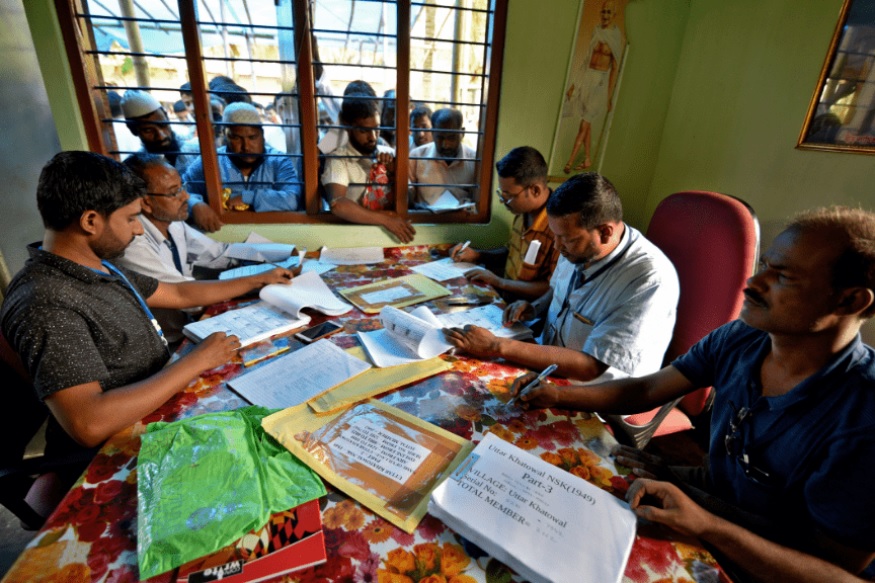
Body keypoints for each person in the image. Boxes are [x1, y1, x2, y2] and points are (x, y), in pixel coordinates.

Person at [518, 206, 875, 581]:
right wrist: (556, 397)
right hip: (714, 509)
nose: (753, 283)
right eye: (766, 265)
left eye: (783, 276)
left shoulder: (862, 416)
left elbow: (835, 570)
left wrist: (706, 523)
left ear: (850, 302)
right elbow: (649, 387)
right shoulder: (742, 339)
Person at [0, 151, 294, 485]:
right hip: (113, 452)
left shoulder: (98, 266)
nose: (140, 231)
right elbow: (89, 424)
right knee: (268, 462)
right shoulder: (47, 302)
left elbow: (179, 294)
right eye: (130, 219)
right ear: (91, 221)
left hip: (158, 403)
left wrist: (260, 279)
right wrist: (194, 362)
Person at [444, 172, 678, 384]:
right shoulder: (578, 247)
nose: (557, 246)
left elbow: (592, 367)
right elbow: (557, 291)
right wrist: (534, 308)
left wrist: (497, 345)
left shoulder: (648, 280)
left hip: (595, 392)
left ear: (605, 232)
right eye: (555, 236)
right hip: (547, 360)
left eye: (567, 239)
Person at [118, 154, 296, 343]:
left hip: (192, 325)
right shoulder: (131, 242)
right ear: (145, 202)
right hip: (166, 344)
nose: (186, 197)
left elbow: (221, 252)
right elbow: (181, 293)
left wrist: (284, 252)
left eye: (182, 187)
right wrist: (258, 280)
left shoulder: (173, 224)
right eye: (174, 192)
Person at [448, 146, 560, 301]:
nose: (503, 201)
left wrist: (499, 282)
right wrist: (478, 255)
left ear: (535, 190)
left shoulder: (559, 228)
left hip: (528, 312)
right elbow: (512, 253)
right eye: (502, 193)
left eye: (508, 196)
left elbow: (553, 289)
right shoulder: (522, 214)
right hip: (506, 299)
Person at [121, 89, 223, 232]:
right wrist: (193, 204)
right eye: (149, 130)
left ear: (167, 116)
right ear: (133, 130)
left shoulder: (197, 149)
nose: (161, 135)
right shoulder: (138, 168)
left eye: (163, 125)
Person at [322, 92, 416, 243]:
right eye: (364, 131)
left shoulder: (390, 154)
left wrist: (394, 175)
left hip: (391, 242)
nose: (373, 136)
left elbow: (411, 202)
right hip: (353, 241)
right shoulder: (339, 159)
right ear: (348, 127)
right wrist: (386, 220)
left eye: (376, 128)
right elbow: (338, 204)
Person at [184, 102, 302, 212]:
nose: (246, 147)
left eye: (252, 137)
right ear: (226, 137)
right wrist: (195, 205)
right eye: (236, 138)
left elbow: (292, 199)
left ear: (262, 135)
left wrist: (248, 197)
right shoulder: (211, 162)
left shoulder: (278, 161)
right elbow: (181, 192)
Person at [562, 0, 624, 173]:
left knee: (584, 123)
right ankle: (588, 159)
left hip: (601, 83)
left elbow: (615, 68)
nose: (605, 16)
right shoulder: (596, 31)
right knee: (586, 123)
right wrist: (574, 84)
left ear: (614, 15)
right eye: (603, 12)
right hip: (588, 78)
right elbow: (585, 61)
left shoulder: (615, 37)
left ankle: (570, 161)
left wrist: (609, 96)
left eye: (608, 13)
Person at [409, 108, 477, 206]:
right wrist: (415, 205)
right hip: (425, 218)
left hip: (461, 220)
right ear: (432, 133)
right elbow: (407, 192)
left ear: (462, 133)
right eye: (440, 138)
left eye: (451, 138)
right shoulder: (416, 157)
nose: (446, 145)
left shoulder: (475, 160)